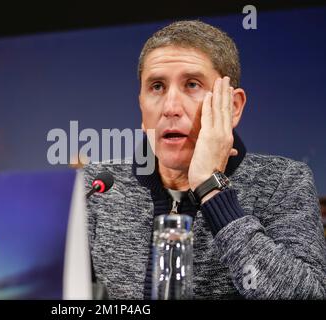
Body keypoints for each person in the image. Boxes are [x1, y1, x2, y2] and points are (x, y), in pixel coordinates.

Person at [84, 20, 326, 299]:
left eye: (192, 84)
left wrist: (212, 189)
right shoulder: (97, 187)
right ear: (141, 105)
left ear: (232, 107)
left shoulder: (284, 182)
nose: (170, 108)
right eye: (157, 87)